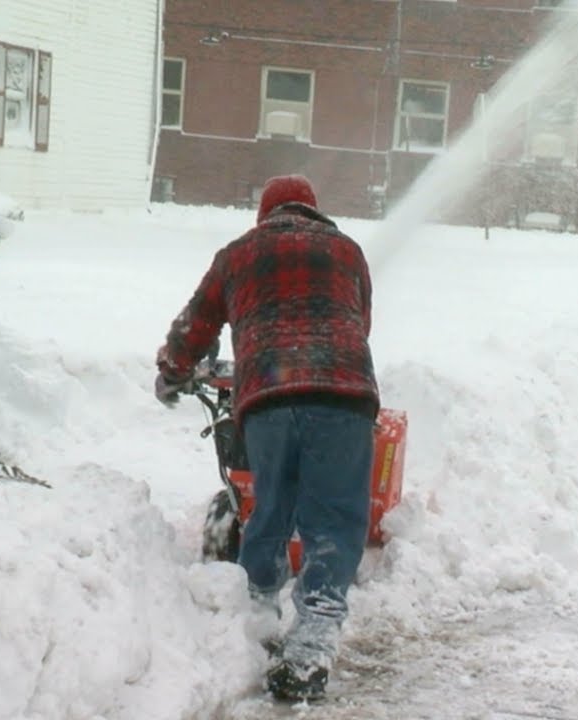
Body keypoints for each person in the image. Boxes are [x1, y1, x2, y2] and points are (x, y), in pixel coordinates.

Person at [153, 174, 379, 702]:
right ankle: (314, 640)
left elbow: (196, 324)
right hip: (343, 397)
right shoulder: (347, 250)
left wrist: (172, 369)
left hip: (268, 399)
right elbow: (360, 322)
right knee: (337, 520)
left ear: (265, 214)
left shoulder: (238, 254)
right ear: (313, 210)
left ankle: (255, 618)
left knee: (268, 509)